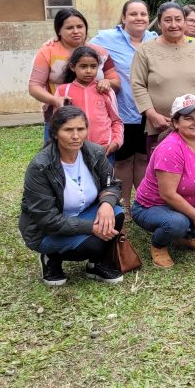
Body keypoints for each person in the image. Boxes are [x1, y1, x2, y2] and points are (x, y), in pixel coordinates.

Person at [19, 105, 125, 286]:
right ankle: (51, 258)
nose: (76, 136)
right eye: (68, 130)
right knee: (93, 243)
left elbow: (112, 185)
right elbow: (47, 219)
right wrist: (91, 227)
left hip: (84, 214)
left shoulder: (95, 152)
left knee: (116, 213)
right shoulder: (40, 166)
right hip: (46, 230)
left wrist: (107, 203)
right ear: (55, 134)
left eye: (80, 129)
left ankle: (95, 264)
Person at [131, 94, 195, 268]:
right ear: (175, 123)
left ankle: (187, 237)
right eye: (188, 118)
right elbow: (168, 194)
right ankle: (159, 245)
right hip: (154, 206)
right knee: (177, 223)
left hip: (191, 202)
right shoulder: (170, 148)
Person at [92, 0, 158, 207]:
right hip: (124, 112)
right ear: (123, 18)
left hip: (150, 112)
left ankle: (141, 202)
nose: (139, 18)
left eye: (143, 14)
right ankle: (124, 204)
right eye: (133, 14)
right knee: (123, 160)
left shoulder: (154, 39)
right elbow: (80, 50)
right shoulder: (107, 38)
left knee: (143, 158)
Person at [131, 2, 195, 154]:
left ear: (185, 22)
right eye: (168, 20)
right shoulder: (145, 50)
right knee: (165, 172)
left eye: (178, 19)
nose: (174, 25)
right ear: (159, 24)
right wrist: (152, 115)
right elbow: (138, 85)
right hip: (161, 126)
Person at [28, 7, 119, 139]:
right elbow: (34, 87)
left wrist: (107, 82)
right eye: (69, 28)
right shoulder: (47, 51)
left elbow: (116, 82)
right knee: (61, 158)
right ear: (59, 30)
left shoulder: (100, 52)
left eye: (80, 26)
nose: (76, 31)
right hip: (58, 117)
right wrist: (54, 100)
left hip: (97, 122)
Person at [55, 47, 123, 162]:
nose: (88, 71)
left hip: (104, 150)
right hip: (74, 152)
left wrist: (116, 142)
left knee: (103, 180)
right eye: (83, 66)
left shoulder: (105, 90)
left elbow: (116, 121)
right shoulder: (63, 91)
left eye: (93, 66)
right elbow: (57, 123)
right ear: (72, 67)